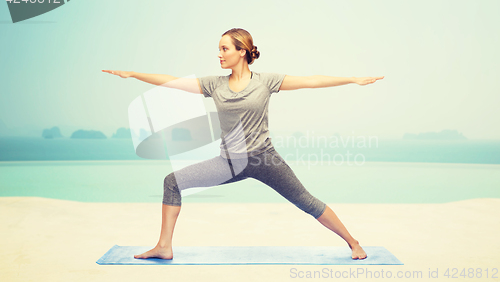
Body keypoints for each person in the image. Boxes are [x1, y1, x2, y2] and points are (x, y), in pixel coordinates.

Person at [102, 28, 383, 261]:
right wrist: (134, 74)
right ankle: (164, 247)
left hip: (264, 160)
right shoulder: (214, 85)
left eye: (225, 49)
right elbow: (174, 82)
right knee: (172, 182)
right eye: (219, 49)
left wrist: (352, 79)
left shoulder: (266, 81)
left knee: (306, 202)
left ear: (243, 52)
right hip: (229, 163)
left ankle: (353, 242)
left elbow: (311, 81)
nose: (219, 54)